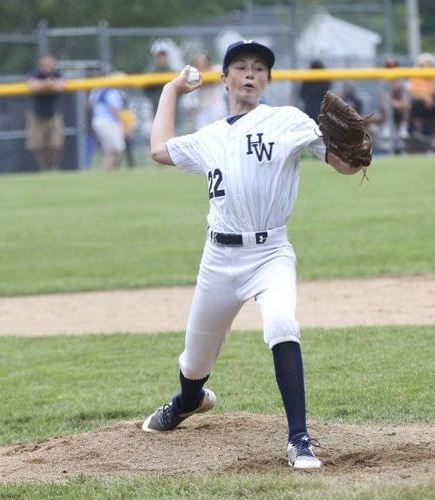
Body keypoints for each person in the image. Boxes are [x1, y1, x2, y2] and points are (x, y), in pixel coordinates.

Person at [142, 40, 367, 469]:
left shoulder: (286, 121)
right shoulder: (209, 136)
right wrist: (171, 90)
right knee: (194, 363)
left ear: (267, 81)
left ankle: (299, 439)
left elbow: (342, 164)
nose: (250, 74)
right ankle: (188, 401)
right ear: (224, 79)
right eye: (241, 67)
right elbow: (158, 149)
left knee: (282, 323)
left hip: (271, 254)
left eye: (260, 68)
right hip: (219, 259)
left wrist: (354, 157)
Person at [26, 55, 65, 171]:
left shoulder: (58, 74)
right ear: (41, 66)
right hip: (36, 114)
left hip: (53, 114)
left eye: (51, 64)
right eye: (46, 64)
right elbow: (33, 86)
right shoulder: (35, 74)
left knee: (56, 144)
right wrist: (48, 84)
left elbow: (60, 86)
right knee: (37, 145)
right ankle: (43, 168)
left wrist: (46, 84)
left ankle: (54, 168)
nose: (49, 67)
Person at [408, 53, 435, 142]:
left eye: (430, 64)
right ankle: (418, 131)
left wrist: (432, 79)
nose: (428, 66)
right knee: (416, 104)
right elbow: (413, 92)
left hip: (434, 100)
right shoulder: (415, 74)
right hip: (421, 100)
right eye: (425, 64)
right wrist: (425, 98)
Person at [89, 80, 127, 170]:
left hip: (98, 121)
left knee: (111, 151)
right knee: (117, 148)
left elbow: (90, 104)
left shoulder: (99, 90)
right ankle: (106, 170)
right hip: (108, 122)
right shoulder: (112, 92)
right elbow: (115, 109)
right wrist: (125, 121)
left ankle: (108, 171)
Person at [189, 53, 228, 129]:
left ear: (208, 62)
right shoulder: (193, 74)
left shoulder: (217, 70)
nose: (202, 64)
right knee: (201, 133)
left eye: (204, 61)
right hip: (201, 109)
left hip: (217, 106)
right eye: (199, 63)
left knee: (219, 130)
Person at [380, 57, 411, 146]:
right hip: (390, 104)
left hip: (401, 104)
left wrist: (401, 103)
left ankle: (403, 129)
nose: (391, 69)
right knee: (386, 105)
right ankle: (386, 128)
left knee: (407, 106)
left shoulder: (402, 80)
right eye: (389, 67)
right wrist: (394, 103)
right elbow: (384, 97)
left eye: (393, 67)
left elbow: (407, 95)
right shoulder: (384, 80)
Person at [144, 49, 174, 116]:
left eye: (163, 56)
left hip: (171, 103)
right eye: (160, 56)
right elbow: (146, 88)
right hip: (157, 102)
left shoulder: (171, 70)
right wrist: (153, 97)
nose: (162, 59)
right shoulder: (152, 71)